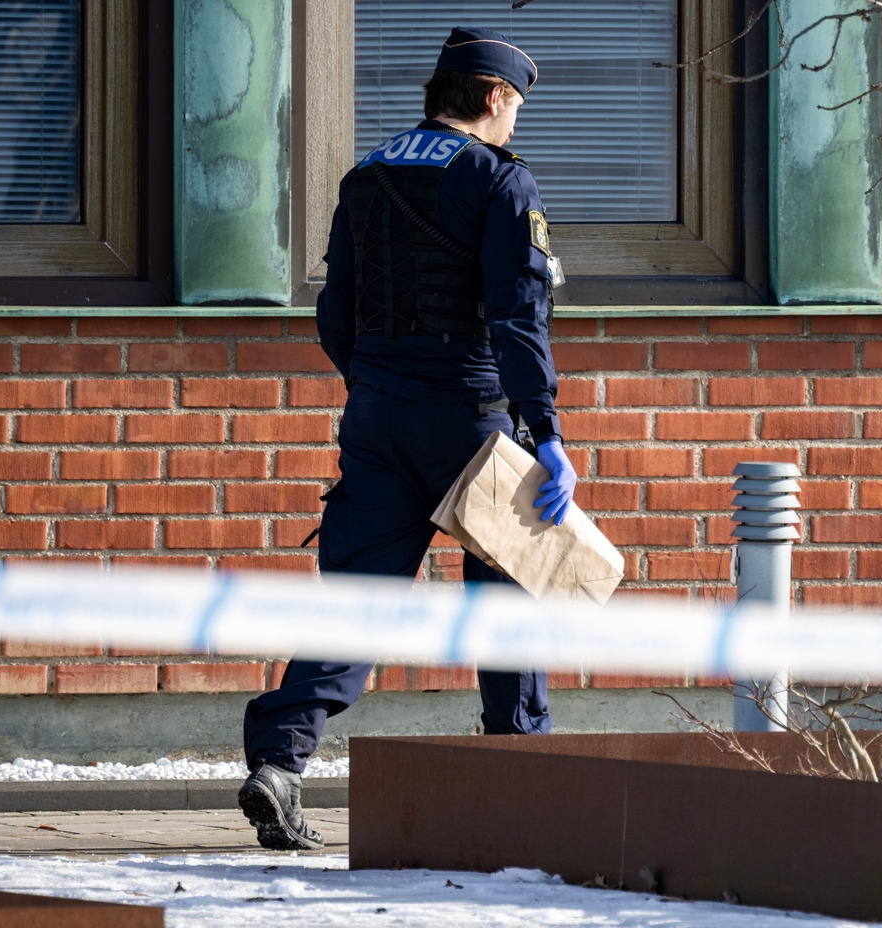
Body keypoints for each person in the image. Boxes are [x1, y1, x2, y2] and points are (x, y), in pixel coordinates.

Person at [236, 26, 575, 852]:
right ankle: (520, 775)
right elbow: (516, 315)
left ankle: (280, 763)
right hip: (471, 417)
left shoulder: (368, 175)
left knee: (361, 596)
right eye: (516, 107)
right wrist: (547, 430)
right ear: (495, 96)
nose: (515, 123)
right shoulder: (500, 180)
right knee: (507, 592)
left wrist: (374, 381)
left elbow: (333, 310)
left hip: (379, 414)